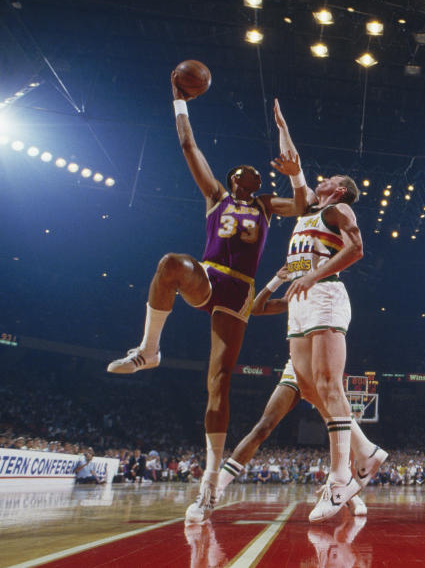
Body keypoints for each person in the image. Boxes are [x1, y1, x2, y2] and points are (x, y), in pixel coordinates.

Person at [106, 84, 309, 523]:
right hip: (208, 275)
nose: (246, 174)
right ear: (232, 178)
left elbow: (305, 203)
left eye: (254, 173)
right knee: (170, 264)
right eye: (240, 172)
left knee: (219, 381)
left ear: (258, 184)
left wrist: (293, 163)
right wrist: (178, 98)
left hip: (239, 292)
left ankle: (212, 478)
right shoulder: (215, 196)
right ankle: (149, 350)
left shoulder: (267, 206)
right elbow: (187, 143)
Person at [212, 266, 367, 516]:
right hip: (296, 368)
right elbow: (256, 307)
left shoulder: (329, 294)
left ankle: (349, 493)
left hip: (322, 365)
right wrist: (276, 279)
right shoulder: (296, 295)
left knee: (339, 427)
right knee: (264, 425)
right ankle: (214, 489)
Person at [284, 173, 388, 523]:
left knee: (329, 385)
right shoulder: (308, 215)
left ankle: (341, 478)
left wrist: (313, 276)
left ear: (340, 190)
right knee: (310, 389)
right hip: (300, 301)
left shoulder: (339, 208)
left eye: (330, 178)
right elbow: (296, 265)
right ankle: (366, 450)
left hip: (325, 293)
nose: (322, 178)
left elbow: (356, 249)